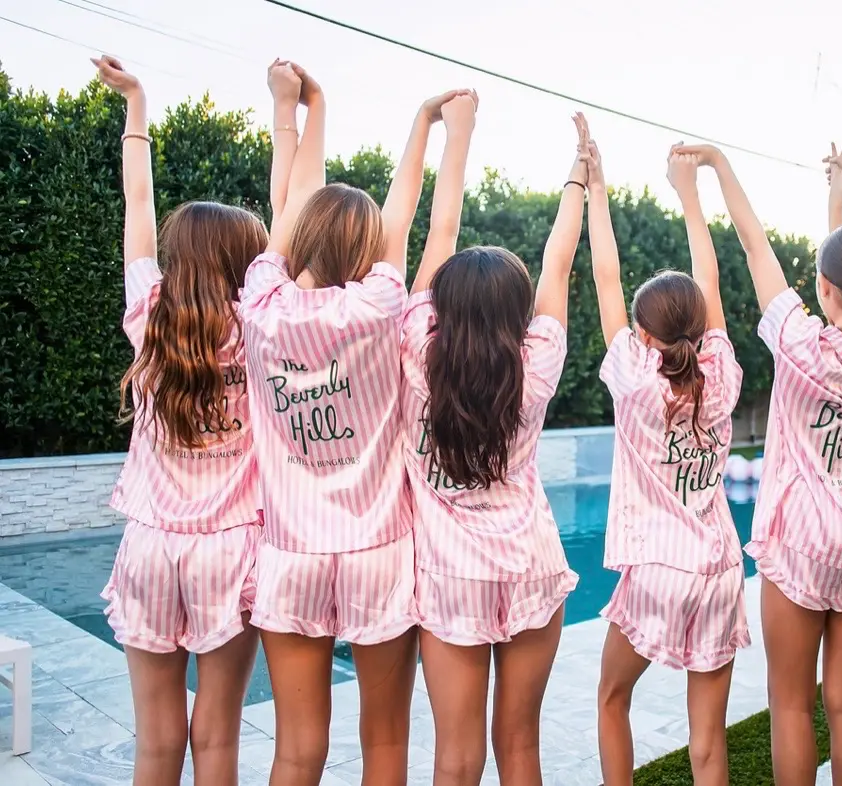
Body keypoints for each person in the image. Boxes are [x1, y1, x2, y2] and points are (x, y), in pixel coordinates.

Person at [240, 60, 473, 785]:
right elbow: (410, 223)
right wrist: (428, 128)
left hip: (292, 554)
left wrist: (305, 110)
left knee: (295, 751)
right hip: (377, 550)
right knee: (384, 745)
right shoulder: (378, 309)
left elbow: (290, 211)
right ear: (369, 252)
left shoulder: (259, 309)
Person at [680, 140, 842, 786]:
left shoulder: (799, 344)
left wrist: (720, 166)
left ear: (825, 289)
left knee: (790, 703)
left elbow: (756, 248)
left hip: (801, 542)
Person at [95, 54, 269, 786]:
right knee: (217, 735)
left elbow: (138, 204)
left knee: (156, 739)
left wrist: (136, 104)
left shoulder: (149, 317)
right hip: (231, 551)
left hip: (148, 548)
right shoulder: (263, 328)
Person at [398, 106, 583, 786]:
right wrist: (577, 178)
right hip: (532, 563)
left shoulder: (416, 352)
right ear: (516, 309)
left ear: (443, 306)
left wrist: (457, 131)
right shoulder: (536, 360)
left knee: (455, 757)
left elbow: (440, 231)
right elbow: (558, 262)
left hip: (450, 578)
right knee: (521, 748)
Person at [587, 131, 748, 786]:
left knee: (609, 699)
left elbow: (603, 275)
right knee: (706, 737)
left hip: (657, 568)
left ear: (643, 334)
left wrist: (593, 185)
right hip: (720, 570)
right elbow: (705, 278)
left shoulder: (633, 380)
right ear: (700, 326)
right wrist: (690, 193)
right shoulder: (723, 369)